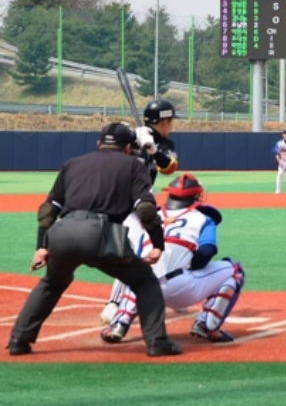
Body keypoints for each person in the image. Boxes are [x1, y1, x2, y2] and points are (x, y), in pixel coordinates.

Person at [5, 123, 181, 357]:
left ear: (99, 143)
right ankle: (157, 342)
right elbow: (146, 209)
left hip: (62, 232)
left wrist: (41, 246)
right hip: (100, 234)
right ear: (128, 147)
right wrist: (158, 245)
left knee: (52, 283)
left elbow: (49, 209)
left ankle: (18, 340)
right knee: (145, 282)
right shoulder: (132, 165)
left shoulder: (72, 164)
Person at [101, 173, 245, 344]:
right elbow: (207, 251)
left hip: (145, 289)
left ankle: (119, 323)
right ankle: (207, 324)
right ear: (196, 196)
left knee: (139, 272)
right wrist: (189, 263)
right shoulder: (203, 218)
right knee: (235, 270)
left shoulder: (151, 216)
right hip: (181, 289)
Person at [100, 99, 180, 323]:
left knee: (168, 237)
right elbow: (108, 152)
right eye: (170, 120)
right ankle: (114, 303)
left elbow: (170, 167)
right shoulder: (130, 138)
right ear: (163, 120)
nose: (171, 124)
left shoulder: (163, 142)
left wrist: (153, 149)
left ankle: (170, 289)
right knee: (132, 249)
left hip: (145, 201)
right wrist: (132, 137)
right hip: (123, 203)